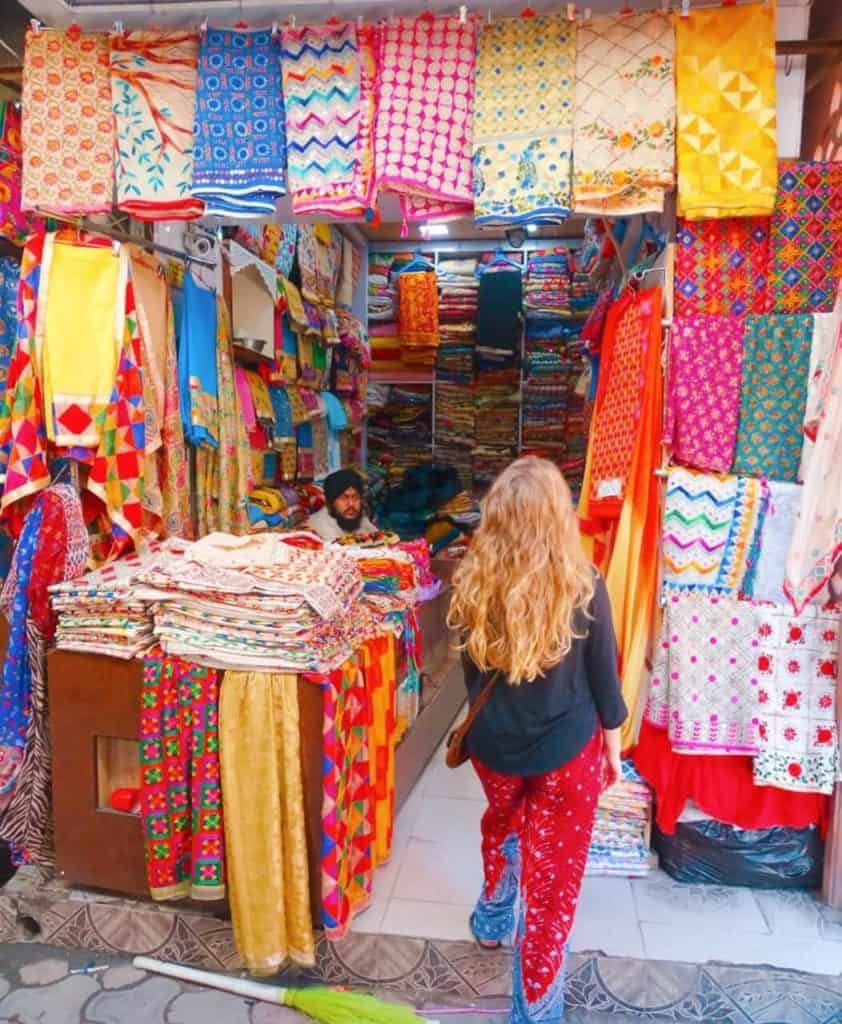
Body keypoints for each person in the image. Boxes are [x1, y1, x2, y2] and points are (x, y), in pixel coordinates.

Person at [447, 456, 627, 1024]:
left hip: (496, 749)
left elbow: (473, 679)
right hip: (568, 751)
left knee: (503, 825)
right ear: (559, 517)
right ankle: (535, 1007)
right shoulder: (585, 584)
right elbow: (605, 676)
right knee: (553, 882)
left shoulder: (473, 584)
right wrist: (615, 751)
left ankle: (493, 918)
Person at [306, 468, 377, 542]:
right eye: (344, 498)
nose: (351, 504)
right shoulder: (320, 524)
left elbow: (381, 539)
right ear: (329, 502)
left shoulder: (358, 518)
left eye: (355, 498)